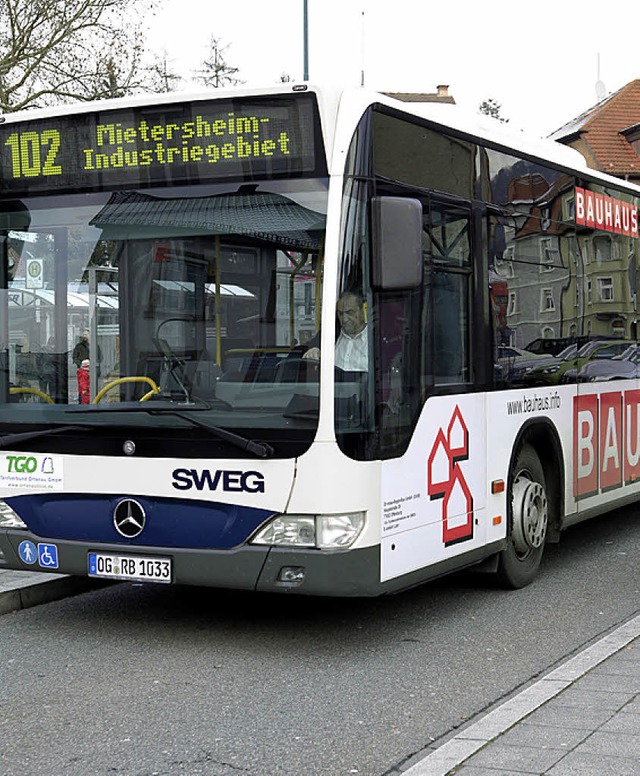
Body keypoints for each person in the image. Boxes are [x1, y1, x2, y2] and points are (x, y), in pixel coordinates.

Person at [303, 291, 369, 372]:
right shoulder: (334, 334)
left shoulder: (374, 338)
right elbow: (316, 341)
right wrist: (314, 349)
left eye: (350, 312)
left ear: (363, 310)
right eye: (340, 313)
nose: (344, 319)